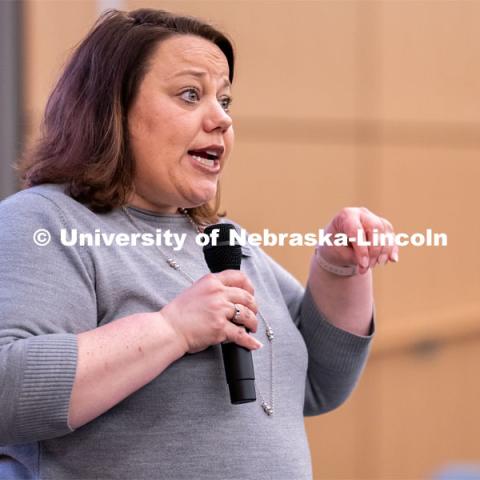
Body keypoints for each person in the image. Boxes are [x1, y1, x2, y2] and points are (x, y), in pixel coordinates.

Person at [0, 8, 398, 480]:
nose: (222, 121)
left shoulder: (221, 241)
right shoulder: (45, 219)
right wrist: (172, 331)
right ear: (112, 108)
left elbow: (318, 385)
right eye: (191, 95)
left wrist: (339, 269)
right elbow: (9, 389)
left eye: (225, 101)